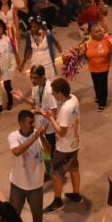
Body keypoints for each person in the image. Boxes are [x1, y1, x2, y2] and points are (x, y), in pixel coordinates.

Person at [6, 110, 47, 222]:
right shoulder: (13, 136)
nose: (33, 125)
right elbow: (16, 152)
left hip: (36, 184)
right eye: (30, 122)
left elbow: (48, 154)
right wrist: (34, 138)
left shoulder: (37, 135)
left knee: (37, 213)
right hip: (18, 184)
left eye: (33, 122)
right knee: (13, 214)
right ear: (21, 123)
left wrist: (42, 137)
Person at [41, 78, 82, 213]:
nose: (52, 94)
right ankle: (76, 194)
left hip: (64, 147)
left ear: (59, 93)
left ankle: (58, 201)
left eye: (53, 92)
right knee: (74, 168)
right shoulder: (73, 98)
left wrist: (51, 118)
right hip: (75, 142)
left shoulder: (65, 109)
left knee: (55, 174)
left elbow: (62, 133)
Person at [82, 23, 112, 111]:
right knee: (96, 85)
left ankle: (102, 103)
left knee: (102, 85)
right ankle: (98, 97)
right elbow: (82, 53)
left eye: (100, 31)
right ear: (91, 33)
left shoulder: (108, 40)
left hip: (104, 68)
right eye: (96, 32)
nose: (99, 33)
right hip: (93, 68)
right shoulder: (87, 42)